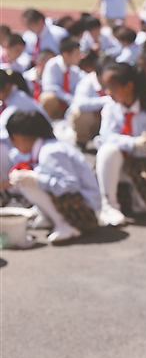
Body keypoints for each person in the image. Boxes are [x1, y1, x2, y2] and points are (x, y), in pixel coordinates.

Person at [6, 110, 100, 243]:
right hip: (82, 204)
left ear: (19, 136)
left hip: (85, 210)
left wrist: (36, 178)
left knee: (28, 181)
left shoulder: (50, 152)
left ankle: (67, 224)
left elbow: (70, 184)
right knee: (25, 178)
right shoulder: (45, 148)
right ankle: (48, 216)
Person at [95, 62, 146, 227]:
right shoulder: (110, 107)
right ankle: (109, 205)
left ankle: (127, 195)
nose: (108, 92)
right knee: (108, 151)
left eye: (112, 87)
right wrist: (134, 143)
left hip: (143, 164)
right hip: (117, 165)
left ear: (129, 86)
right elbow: (106, 136)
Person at [0, 70, 49, 189]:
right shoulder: (10, 98)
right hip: (26, 149)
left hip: (36, 153)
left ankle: (10, 190)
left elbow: (4, 135)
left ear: (6, 86)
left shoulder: (18, 102)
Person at [68, 56, 112, 148]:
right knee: (79, 114)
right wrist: (105, 100)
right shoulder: (87, 82)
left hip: (111, 121)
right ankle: (81, 142)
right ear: (99, 75)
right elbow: (80, 104)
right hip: (95, 121)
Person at [39, 36, 84, 121]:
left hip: (69, 106)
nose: (80, 57)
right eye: (77, 54)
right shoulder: (52, 65)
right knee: (47, 97)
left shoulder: (75, 70)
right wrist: (68, 98)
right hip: (57, 104)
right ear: (66, 55)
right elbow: (49, 87)